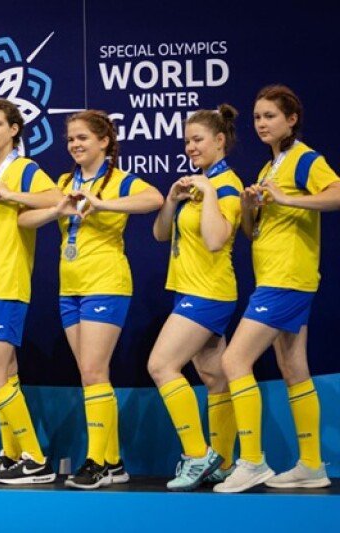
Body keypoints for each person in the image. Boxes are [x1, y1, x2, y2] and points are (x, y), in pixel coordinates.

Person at [19, 110, 163, 490]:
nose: (75, 145)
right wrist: (57, 209)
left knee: (93, 372)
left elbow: (155, 199)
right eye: (70, 140)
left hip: (107, 283)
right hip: (71, 288)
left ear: (104, 141)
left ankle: (96, 461)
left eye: (83, 137)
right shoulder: (64, 182)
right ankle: (114, 462)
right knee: (91, 376)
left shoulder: (118, 180)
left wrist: (103, 205)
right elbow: (23, 220)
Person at [215, 85, 340, 493]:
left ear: (291, 119)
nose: (261, 123)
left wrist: (286, 199)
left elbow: (336, 193)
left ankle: (251, 461)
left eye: (270, 115)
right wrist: (253, 206)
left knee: (234, 361)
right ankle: (312, 465)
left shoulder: (305, 159)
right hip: (272, 277)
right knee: (293, 368)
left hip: (288, 278)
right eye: (257, 117)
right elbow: (253, 232)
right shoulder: (268, 170)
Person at [0, 98, 62, 485]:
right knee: (6, 374)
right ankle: (12, 454)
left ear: (14, 129)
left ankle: (36, 458)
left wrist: (11, 195)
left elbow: (54, 199)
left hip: (7, 280)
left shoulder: (25, 169)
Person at [147, 105, 243, 491]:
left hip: (209, 292)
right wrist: (172, 199)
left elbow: (217, 239)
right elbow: (158, 234)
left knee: (161, 366)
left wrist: (207, 192)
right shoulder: (197, 183)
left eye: (198, 139)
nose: (190, 147)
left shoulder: (227, 186)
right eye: (187, 140)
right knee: (214, 378)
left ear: (220, 141)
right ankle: (221, 461)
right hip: (189, 290)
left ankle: (197, 452)